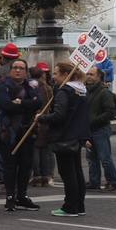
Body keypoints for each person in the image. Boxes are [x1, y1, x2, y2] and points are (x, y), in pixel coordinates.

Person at [41, 61, 91, 217]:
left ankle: (70, 206)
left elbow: (59, 115)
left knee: (68, 174)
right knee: (76, 172)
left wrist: (42, 118)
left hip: (64, 136)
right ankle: (79, 205)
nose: (53, 76)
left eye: (56, 73)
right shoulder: (82, 91)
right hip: (76, 136)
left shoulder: (65, 92)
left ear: (65, 74)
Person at [0, 59, 39, 212]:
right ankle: (10, 196)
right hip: (8, 132)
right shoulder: (3, 85)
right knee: (10, 165)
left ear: (26, 71)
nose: (18, 70)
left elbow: (38, 103)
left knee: (26, 165)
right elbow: (5, 104)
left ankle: (22, 195)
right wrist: (25, 104)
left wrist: (21, 103)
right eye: (15, 68)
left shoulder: (31, 85)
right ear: (10, 70)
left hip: (27, 131)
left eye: (21, 68)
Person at [85, 66, 116, 192]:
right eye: (87, 74)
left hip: (100, 129)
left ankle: (113, 181)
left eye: (92, 74)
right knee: (91, 158)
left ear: (99, 77)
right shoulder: (86, 91)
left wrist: (94, 121)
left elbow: (110, 112)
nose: (88, 76)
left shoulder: (104, 93)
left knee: (104, 157)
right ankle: (94, 181)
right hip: (89, 130)